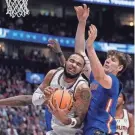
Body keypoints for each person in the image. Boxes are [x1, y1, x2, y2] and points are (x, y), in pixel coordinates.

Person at [73, 4, 132, 135]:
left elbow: (101, 77)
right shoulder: (94, 77)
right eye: (108, 57)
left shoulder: (114, 81)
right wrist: (82, 22)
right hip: (88, 129)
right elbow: (79, 53)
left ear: (120, 67)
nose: (108, 60)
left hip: (100, 130)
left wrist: (90, 47)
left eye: (113, 60)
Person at [32, 52, 91, 135]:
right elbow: (34, 100)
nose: (74, 65)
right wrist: (44, 97)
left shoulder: (83, 89)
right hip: (54, 131)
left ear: (82, 71)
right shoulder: (52, 74)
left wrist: (66, 120)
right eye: (72, 61)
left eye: (78, 64)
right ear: (66, 62)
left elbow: (80, 120)